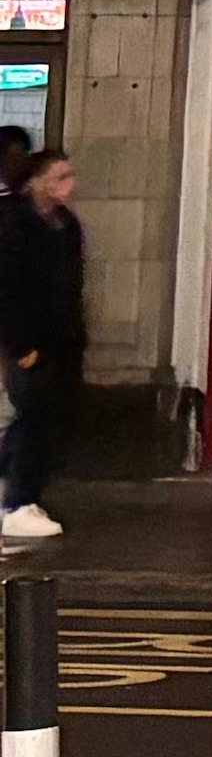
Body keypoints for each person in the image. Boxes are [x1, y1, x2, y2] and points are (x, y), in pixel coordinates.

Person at [0, 150, 82, 548]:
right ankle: (18, 502)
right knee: (32, 416)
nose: (69, 186)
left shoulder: (66, 225)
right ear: (36, 181)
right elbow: (8, 287)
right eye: (59, 177)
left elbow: (71, 287)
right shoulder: (13, 223)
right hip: (28, 339)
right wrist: (20, 343)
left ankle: (20, 493)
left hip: (60, 339)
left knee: (47, 418)